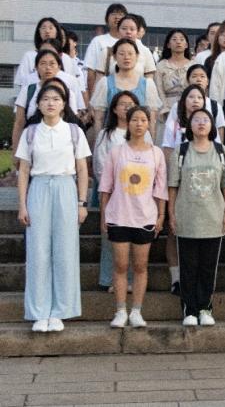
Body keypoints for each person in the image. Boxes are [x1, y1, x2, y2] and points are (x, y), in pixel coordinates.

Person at [15, 84, 91, 333]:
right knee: (38, 251)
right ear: (38, 104)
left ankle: (60, 311)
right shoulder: (30, 133)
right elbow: (23, 171)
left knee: (65, 250)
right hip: (38, 188)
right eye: (45, 99)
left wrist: (82, 203)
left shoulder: (73, 131)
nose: (50, 103)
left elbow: (82, 169)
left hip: (65, 188)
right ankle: (39, 311)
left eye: (56, 99)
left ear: (63, 104)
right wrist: (22, 204)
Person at [99, 106, 167, 329]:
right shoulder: (117, 152)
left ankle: (136, 310)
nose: (139, 124)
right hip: (119, 215)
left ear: (148, 124)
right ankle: (120, 310)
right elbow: (106, 186)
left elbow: (160, 188)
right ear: (128, 123)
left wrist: (161, 215)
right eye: (135, 120)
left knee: (140, 265)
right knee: (120, 265)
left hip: (145, 216)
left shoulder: (156, 153)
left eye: (143, 120)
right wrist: (103, 215)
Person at [167, 108, 225, 327]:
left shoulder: (221, 151)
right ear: (190, 125)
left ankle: (205, 307)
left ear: (212, 125)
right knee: (188, 266)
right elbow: (172, 185)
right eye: (196, 119)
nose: (201, 123)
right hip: (187, 216)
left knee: (208, 267)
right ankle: (189, 309)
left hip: (213, 217)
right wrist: (171, 213)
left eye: (206, 119)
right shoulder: (181, 151)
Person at [92, 91, 149, 292]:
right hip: (113, 193)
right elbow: (99, 164)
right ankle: (109, 279)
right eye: (122, 104)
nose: (126, 107)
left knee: (136, 239)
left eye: (131, 104)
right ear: (114, 109)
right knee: (112, 238)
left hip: (138, 194)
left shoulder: (145, 134)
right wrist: (113, 186)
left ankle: (132, 280)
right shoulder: (106, 134)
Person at [11, 50, 86, 153]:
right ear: (36, 67)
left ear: (59, 67)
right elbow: (19, 122)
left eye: (52, 63)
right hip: (33, 144)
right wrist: (16, 151)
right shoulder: (28, 90)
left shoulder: (68, 93)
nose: (48, 68)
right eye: (43, 63)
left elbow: (73, 122)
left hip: (62, 146)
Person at [90, 38, 162, 139]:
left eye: (130, 53)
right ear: (114, 57)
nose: (126, 57)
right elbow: (99, 118)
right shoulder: (105, 83)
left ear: (137, 56)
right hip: (112, 138)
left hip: (139, 140)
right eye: (121, 54)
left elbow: (152, 119)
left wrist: (151, 142)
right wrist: (99, 141)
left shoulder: (147, 85)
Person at [154, 29, 194, 140]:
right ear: (168, 44)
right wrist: (165, 108)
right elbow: (158, 89)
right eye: (174, 39)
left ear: (186, 45)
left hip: (189, 106)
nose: (178, 42)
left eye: (181, 39)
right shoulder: (161, 65)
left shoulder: (193, 65)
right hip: (167, 106)